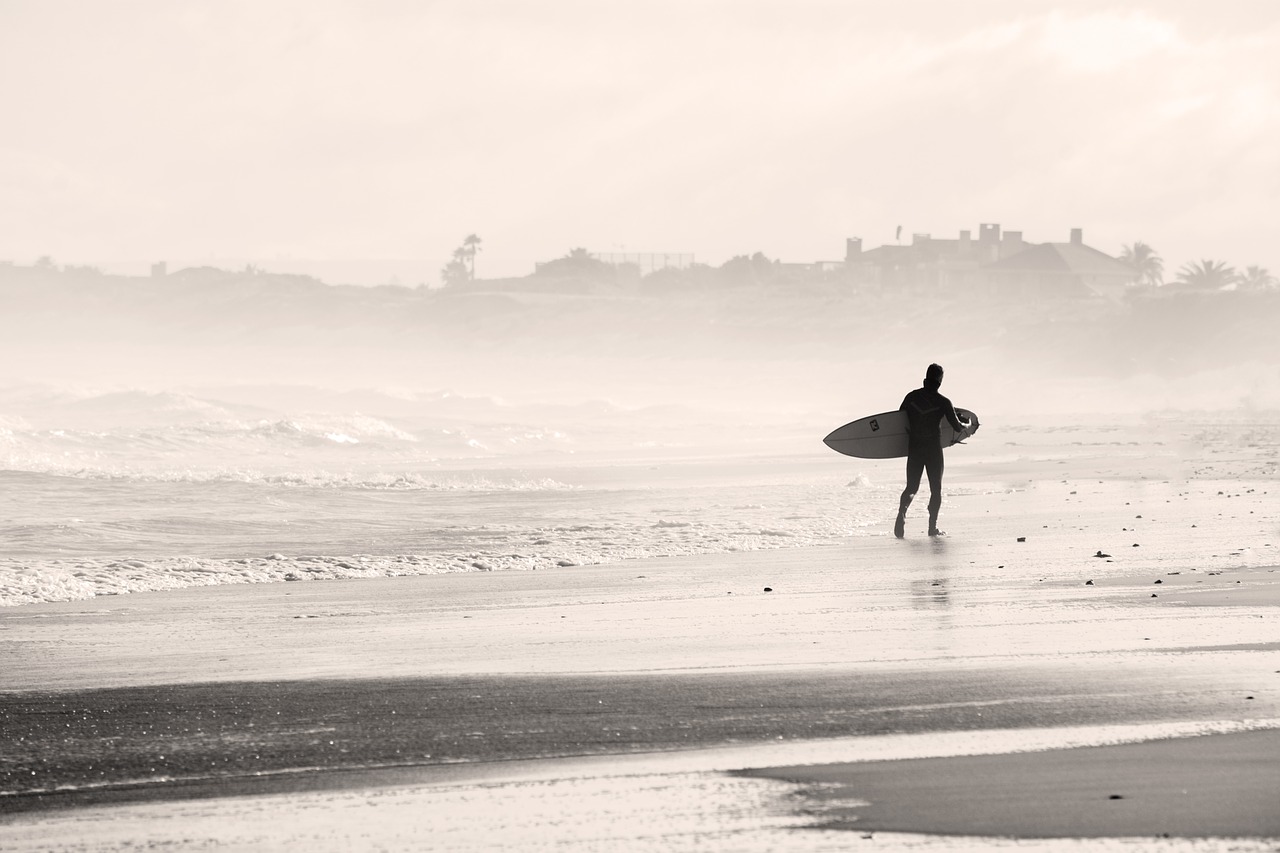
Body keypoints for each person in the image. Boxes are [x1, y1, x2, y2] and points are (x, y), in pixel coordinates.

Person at [894, 363, 973, 538]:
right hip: (932, 450)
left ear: (925, 379)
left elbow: (899, 420)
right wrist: (967, 422)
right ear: (939, 382)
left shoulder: (911, 397)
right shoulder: (943, 402)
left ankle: (901, 515)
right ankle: (932, 528)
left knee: (911, 487)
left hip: (915, 446)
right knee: (935, 489)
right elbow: (958, 427)